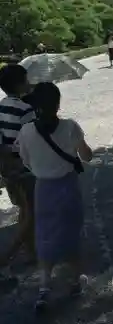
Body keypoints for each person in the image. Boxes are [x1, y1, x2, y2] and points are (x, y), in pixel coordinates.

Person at [16, 82, 92, 311]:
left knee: (45, 236)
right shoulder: (70, 127)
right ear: (58, 104)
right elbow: (86, 156)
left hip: (43, 190)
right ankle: (75, 280)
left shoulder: (26, 131)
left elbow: (26, 161)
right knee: (71, 233)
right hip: (67, 187)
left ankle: (44, 288)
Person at [0, 65, 36, 265]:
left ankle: (32, 252)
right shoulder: (25, 110)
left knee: (25, 208)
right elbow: (31, 138)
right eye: (26, 79)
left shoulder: (1, 105)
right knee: (33, 212)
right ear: (20, 84)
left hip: (6, 166)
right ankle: (7, 256)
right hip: (24, 165)